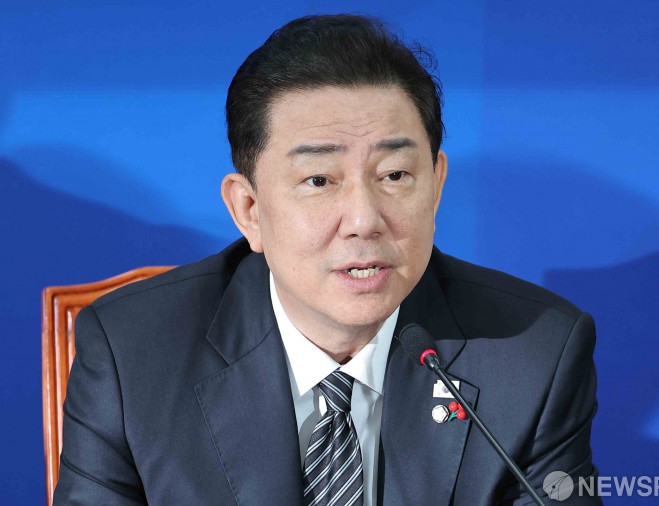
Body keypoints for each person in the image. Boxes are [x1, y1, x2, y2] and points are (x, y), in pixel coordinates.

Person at [54, 14, 600, 505]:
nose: (364, 219)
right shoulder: (133, 355)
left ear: (435, 186)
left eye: (394, 175)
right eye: (319, 180)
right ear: (249, 210)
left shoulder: (534, 358)